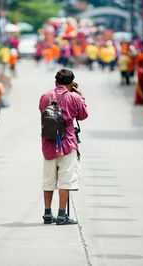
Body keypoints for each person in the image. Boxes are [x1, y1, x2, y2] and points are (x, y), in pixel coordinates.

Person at [38, 69, 88, 225]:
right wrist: (80, 95)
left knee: (48, 180)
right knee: (65, 180)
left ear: (55, 82)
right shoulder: (73, 97)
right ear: (72, 84)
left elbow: (42, 112)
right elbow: (83, 115)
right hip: (67, 143)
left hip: (48, 143)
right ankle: (61, 215)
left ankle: (47, 214)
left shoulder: (44, 96)